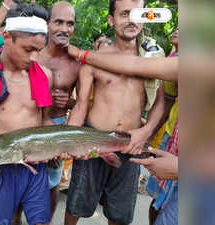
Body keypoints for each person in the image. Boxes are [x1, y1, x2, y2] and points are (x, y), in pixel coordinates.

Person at [65, 0, 166, 225]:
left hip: (131, 144)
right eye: (124, 14)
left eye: (138, 14)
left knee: (119, 213)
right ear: (111, 20)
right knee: (76, 203)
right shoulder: (94, 59)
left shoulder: (154, 58)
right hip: (92, 140)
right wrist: (69, 141)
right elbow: (81, 104)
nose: (131, 20)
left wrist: (146, 130)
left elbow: (161, 101)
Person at [0, 3, 54, 225]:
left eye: (39, 50)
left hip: (37, 167)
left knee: (41, 221)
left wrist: (61, 144)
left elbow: (45, 120)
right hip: (3, 169)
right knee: (2, 221)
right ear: (6, 36)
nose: (34, 57)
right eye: (28, 49)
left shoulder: (44, 76)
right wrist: (4, 151)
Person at [13, 2, 81, 224]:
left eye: (70, 23)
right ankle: (14, 219)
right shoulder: (31, 53)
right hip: (27, 123)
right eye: (58, 22)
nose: (64, 29)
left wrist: (68, 101)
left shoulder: (76, 61)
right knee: (19, 180)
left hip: (57, 125)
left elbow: (83, 102)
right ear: (47, 24)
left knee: (51, 183)